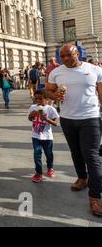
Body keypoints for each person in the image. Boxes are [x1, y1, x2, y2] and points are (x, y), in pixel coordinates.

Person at [46, 44, 102, 216]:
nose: (65, 59)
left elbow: (101, 93)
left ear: (77, 53)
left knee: (92, 156)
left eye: (68, 55)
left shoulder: (94, 70)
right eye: (62, 56)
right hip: (68, 119)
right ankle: (82, 178)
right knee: (76, 152)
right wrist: (54, 96)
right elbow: (48, 90)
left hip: (90, 118)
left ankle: (95, 197)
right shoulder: (56, 72)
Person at [28, 90, 59, 183]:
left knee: (49, 154)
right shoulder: (33, 107)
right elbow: (30, 119)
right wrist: (31, 115)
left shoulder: (50, 109)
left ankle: (50, 168)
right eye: (35, 98)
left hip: (47, 137)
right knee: (37, 154)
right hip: (35, 136)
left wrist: (47, 119)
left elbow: (56, 123)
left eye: (40, 99)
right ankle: (38, 173)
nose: (37, 100)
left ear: (46, 99)